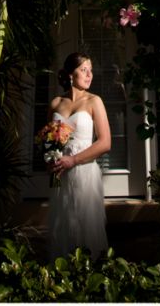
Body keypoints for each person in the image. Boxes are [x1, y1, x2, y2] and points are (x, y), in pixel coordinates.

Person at [46, 52, 111, 260]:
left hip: (84, 172)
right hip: (60, 175)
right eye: (84, 70)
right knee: (63, 225)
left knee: (85, 226)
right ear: (70, 74)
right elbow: (48, 140)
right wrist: (50, 159)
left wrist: (73, 160)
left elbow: (105, 142)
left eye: (91, 70)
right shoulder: (56, 103)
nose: (89, 74)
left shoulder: (94, 101)